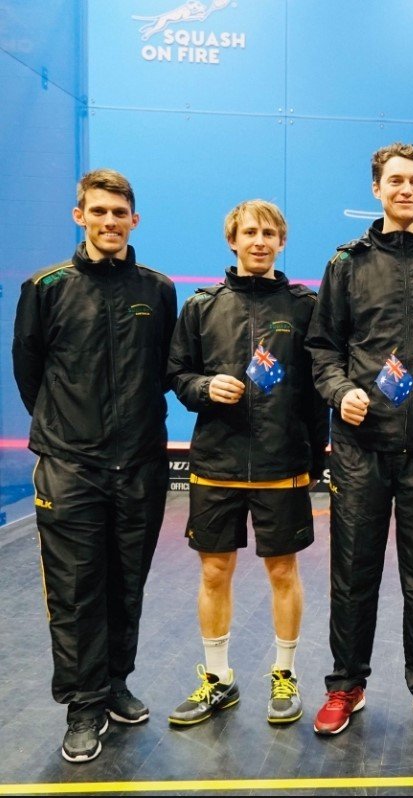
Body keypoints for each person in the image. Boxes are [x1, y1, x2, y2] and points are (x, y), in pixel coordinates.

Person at [306, 143, 413, 737]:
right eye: (395, 181)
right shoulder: (346, 264)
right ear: (377, 190)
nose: (405, 190)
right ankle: (346, 685)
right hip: (359, 448)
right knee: (353, 571)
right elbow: (322, 347)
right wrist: (338, 391)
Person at [12, 169, 176, 763]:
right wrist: (66, 433)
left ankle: (114, 684)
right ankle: (82, 704)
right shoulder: (47, 286)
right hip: (69, 467)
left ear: (135, 220)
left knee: (126, 581)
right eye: (99, 212)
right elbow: (30, 373)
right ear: (79, 216)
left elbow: (164, 369)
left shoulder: (158, 290)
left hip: (140, 464)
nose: (110, 222)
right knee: (77, 590)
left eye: (120, 213)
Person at [166, 199, 328, 727]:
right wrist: (206, 386)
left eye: (270, 234)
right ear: (232, 240)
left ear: (282, 242)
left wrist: (317, 460)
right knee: (215, 571)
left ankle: (285, 674)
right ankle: (218, 680)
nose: (260, 241)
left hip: (284, 464)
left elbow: (316, 391)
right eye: (250, 233)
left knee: (283, 570)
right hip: (216, 462)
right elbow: (178, 377)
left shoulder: (306, 307)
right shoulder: (200, 307)